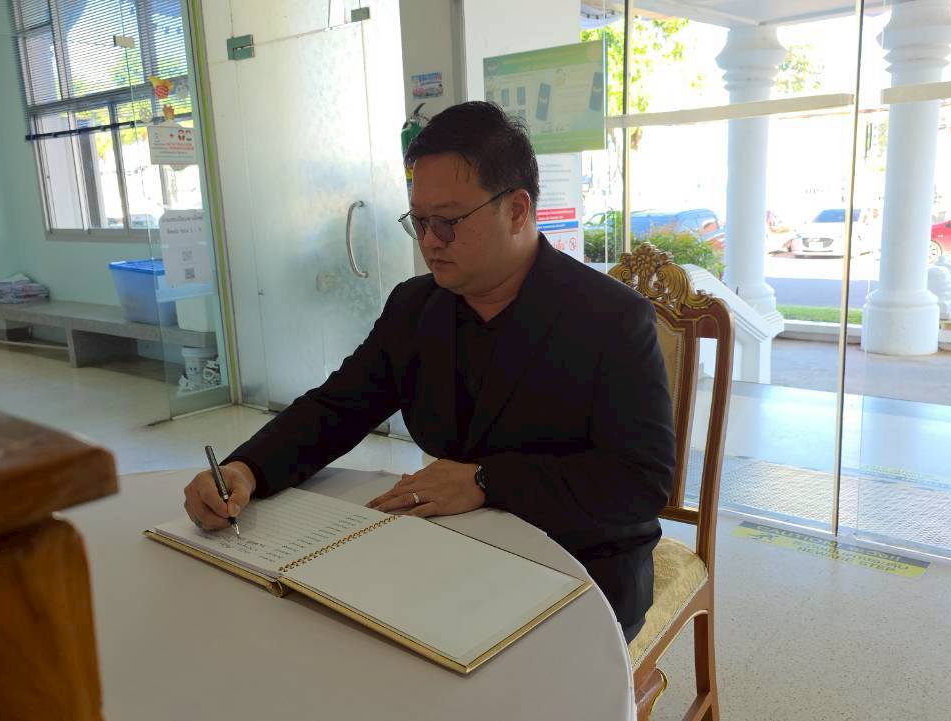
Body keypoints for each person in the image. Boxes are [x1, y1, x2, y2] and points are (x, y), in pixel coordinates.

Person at [183, 101, 674, 641]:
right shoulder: (417, 307)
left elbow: (640, 482)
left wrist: (486, 481)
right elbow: (337, 408)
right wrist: (247, 469)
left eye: (449, 221)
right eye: (418, 221)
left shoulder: (609, 318)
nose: (430, 241)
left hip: (581, 567)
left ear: (517, 210)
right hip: (453, 550)